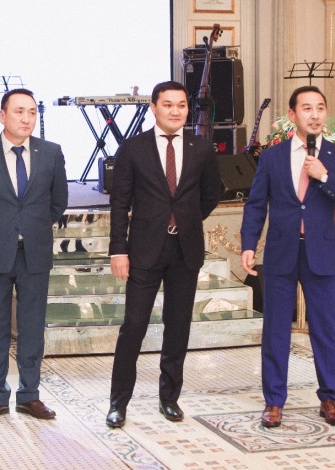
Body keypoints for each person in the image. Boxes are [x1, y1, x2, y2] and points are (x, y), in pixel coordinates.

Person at [240, 86, 335, 428]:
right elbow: (256, 204)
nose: (315, 114)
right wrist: (249, 243)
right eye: (307, 108)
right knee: (275, 329)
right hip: (281, 251)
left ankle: (330, 398)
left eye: (320, 108)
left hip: (320, 253)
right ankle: (274, 401)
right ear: (293, 115)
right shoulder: (272, 157)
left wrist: (323, 176)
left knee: (325, 329)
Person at [105, 80, 222, 428]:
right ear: (154, 108)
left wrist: (185, 221)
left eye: (181, 105)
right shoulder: (133, 148)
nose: (175, 111)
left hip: (185, 249)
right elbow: (119, 203)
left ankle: (169, 398)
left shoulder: (201, 148)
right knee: (134, 326)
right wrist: (118, 250)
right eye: (168, 105)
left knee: (178, 326)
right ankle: (118, 403)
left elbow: (211, 194)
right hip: (144, 249)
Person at [0, 88, 68, 423]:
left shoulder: (51, 153)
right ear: (2, 115)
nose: (26, 118)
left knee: (32, 327)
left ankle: (29, 395)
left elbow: (58, 203)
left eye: (32, 112)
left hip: (34, 252)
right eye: (19, 111)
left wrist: (30, 228)